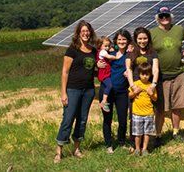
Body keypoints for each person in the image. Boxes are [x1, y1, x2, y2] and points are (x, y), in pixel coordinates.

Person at [54, 20, 97, 163]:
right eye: (83, 31)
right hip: (73, 90)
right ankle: (59, 151)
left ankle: (76, 149)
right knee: (68, 119)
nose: (85, 33)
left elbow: (92, 70)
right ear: (78, 33)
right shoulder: (72, 49)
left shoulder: (93, 50)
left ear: (90, 33)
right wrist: (63, 92)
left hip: (89, 90)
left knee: (82, 120)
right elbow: (65, 72)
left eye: (87, 31)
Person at [150, 6, 184, 142]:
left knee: (177, 106)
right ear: (158, 18)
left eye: (167, 16)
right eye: (162, 16)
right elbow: (143, 46)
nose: (164, 18)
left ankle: (176, 132)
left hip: (178, 74)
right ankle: (158, 134)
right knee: (160, 108)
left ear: (171, 17)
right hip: (161, 76)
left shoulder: (179, 30)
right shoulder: (152, 33)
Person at [126, 27, 164, 147]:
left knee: (150, 114)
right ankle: (134, 144)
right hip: (136, 86)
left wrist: (153, 85)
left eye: (145, 38)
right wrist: (132, 86)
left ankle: (148, 143)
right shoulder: (131, 52)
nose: (143, 41)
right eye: (140, 38)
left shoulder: (153, 52)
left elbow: (156, 69)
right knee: (134, 114)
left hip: (149, 86)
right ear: (136, 39)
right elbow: (129, 69)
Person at [98, 29, 132, 153]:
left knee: (123, 119)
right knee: (107, 119)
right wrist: (98, 65)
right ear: (116, 41)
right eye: (119, 39)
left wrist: (128, 71)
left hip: (122, 92)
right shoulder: (110, 52)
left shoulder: (130, 55)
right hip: (107, 91)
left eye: (124, 39)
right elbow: (98, 57)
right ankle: (108, 144)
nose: (122, 41)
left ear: (128, 41)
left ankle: (121, 141)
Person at [129, 63, 158, 156]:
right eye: (143, 74)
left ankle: (144, 149)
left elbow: (155, 98)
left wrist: (151, 93)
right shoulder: (136, 84)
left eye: (147, 74)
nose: (145, 76)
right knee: (138, 133)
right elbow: (129, 96)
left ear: (150, 75)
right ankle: (137, 149)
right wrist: (134, 92)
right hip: (137, 113)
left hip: (149, 113)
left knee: (147, 133)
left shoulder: (151, 86)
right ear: (139, 74)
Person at [96, 36, 118, 112]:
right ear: (100, 45)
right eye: (105, 46)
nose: (107, 48)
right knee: (109, 85)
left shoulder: (102, 51)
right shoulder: (103, 52)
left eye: (108, 46)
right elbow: (109, 56)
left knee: (109, 85)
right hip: (104, 74)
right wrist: (116, 57)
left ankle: (105, 100)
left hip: (106, 74)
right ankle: (104, 101)